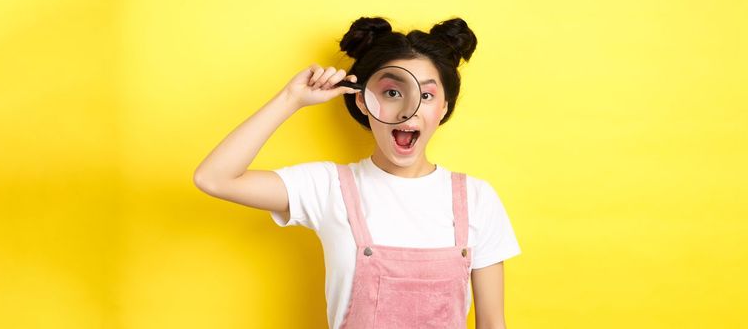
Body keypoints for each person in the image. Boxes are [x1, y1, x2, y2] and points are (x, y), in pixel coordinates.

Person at [194, 16, 521, 329]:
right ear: (364, 101)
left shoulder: (477, 198)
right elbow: (214, 178)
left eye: (426, 95)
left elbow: (492, 324)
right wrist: (291, 98)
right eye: (392, 92)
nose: (410, 109)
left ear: (444, 107)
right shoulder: (327, 187)